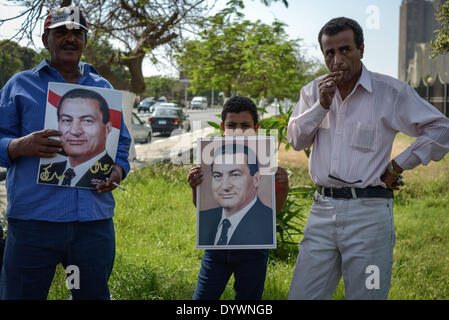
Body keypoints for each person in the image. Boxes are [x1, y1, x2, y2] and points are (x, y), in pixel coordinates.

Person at [287, 17, 449, 300]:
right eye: (330, 52)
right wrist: (320, 107)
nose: (338, 59)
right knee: (303, 294)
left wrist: (399, 164)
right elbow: (296, 140)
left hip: (369, 214)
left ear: (361, 49)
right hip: (322, 210)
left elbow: (441, 129)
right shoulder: (313, 92)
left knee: (367, 295)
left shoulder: (390, 92)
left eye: (345, 49)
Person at [0, 6, 131, 300]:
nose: (69, 38)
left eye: (77, 33)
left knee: (90, 296)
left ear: (84, 41)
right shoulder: (20, 85)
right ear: (46, 38)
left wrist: (118, 170)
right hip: (33, 226)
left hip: (92, 228)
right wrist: (17, 146)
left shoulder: (103, 88)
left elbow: (122, 147)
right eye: (61, 32)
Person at [187, 96, 289, 300]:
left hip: (253, 250)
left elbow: (273, 213)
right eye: (232, 125)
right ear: (223, 127)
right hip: (216, 251)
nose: (238, 131)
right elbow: (202, 206)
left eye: (245, 125)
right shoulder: (212, 158)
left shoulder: (266, 162)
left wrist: (283, 187)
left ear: (256, 127)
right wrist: (194, 187)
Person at [198, 143, 274, 246]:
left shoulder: (268, 221)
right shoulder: (205, 217)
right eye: (217, 176)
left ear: (256, 179)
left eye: (235, 175)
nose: (225, 186)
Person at [38, 88, 114, 188]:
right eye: (66, 120)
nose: (74, 131)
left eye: (87, 121)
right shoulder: (45, 171)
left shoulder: (111, 173)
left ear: (107, 128)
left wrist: (121, 169)